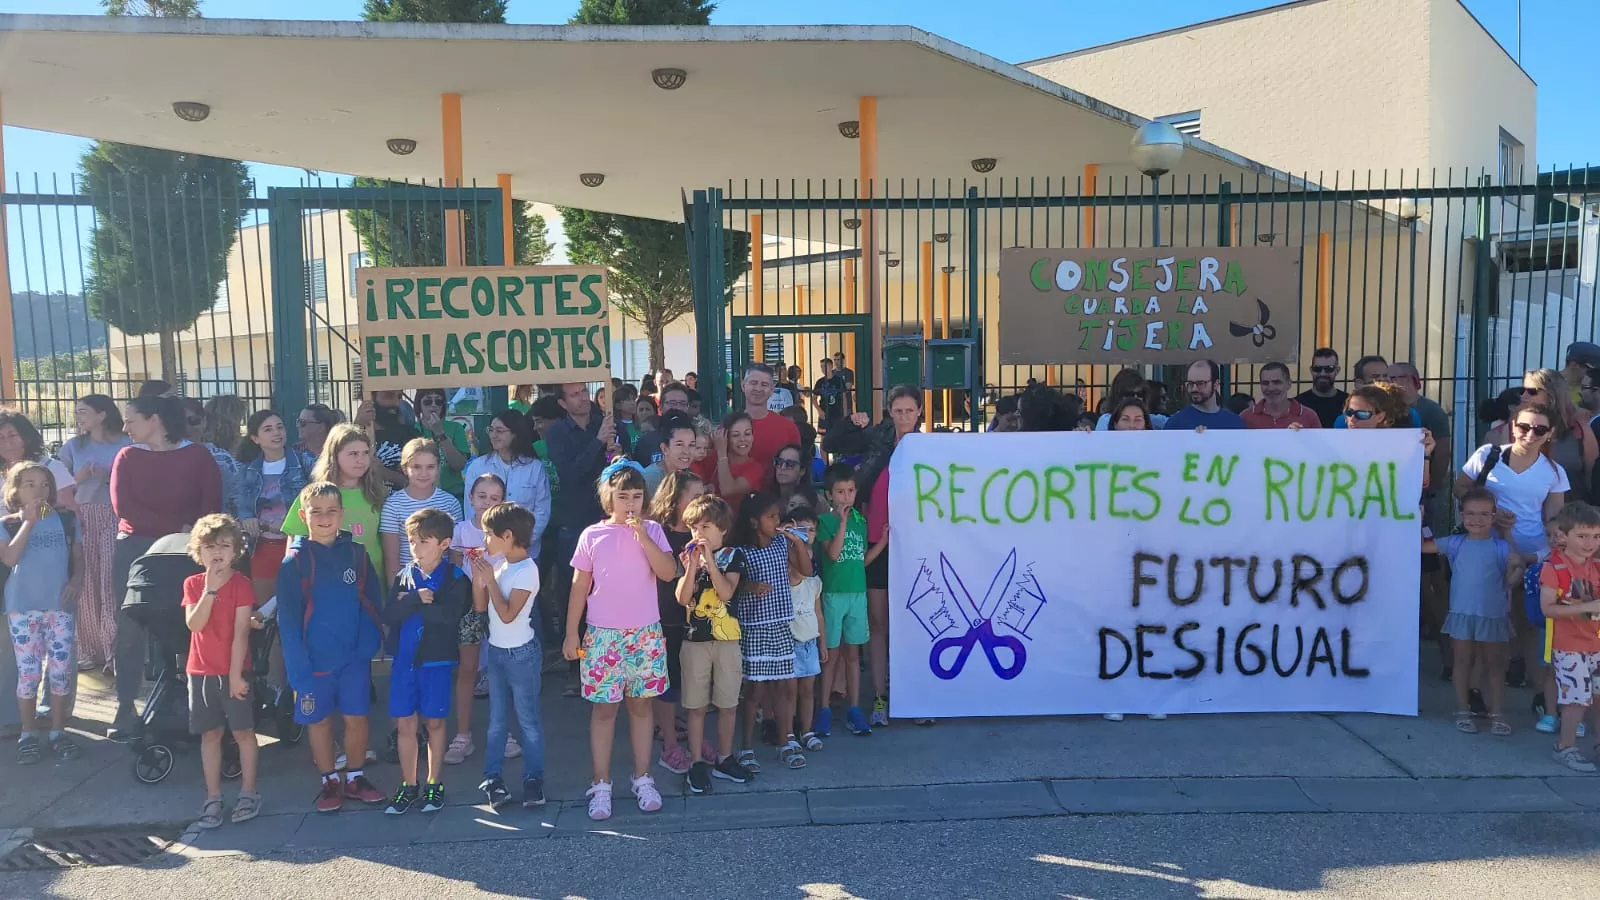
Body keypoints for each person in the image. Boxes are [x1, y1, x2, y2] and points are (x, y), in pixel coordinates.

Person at [563, 461, 677, 821]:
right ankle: (601, 783)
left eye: (637, 496)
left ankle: (643, 778)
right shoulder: (592, 536)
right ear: (608, 496)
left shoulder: (654, 530)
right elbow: (579, 586)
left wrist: (643, 536)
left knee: (642, 707)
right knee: (604, 709)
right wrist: (571, 632)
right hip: (602, 635)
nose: (630, 503)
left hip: (645, 633)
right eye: (622, 495)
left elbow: (668, 573)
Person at [109, 394, 223, 740]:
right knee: (129, 626)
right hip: (138, 552)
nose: (125, 427)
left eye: (131, 419)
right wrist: (176, 527)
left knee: (190, 625)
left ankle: (198, 705)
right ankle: (125, 705)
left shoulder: (198, 455)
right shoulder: (126, 456)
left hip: (186, 551)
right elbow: (123, 506)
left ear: (154, 419)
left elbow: (211, 503)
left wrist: (191, 533)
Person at [276, 482, 387, 813]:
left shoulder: (356, 554)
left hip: (353, 659)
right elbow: (289, 623)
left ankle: (355, 777)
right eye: (316, 511)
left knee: (357, 717)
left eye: (331, 511)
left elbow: (371, 601)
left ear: (342, 514)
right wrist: (298, 670)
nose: (324, 518)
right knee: (319, 722)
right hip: (314, 664)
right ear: (302, 515)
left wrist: (368, 644)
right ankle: (329, 781)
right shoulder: (293, 564)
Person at [821, 386, 921, 727]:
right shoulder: (877, 439)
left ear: (920, 412)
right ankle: (879, 696)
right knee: (878, 624)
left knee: (912, 624)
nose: (904, 416)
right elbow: (831, 444)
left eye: (910, 410)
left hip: (917, 547)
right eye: (898, 410)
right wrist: (851, 422)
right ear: (890, 411)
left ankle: (916, 695)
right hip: (877, 542)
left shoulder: (931, 447)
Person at [381, 508, 471, 815]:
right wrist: (414, 600)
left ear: (444, 544)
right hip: (404, 662)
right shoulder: (404, 577)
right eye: (411, 541)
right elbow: (388, 614)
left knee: (434, 722)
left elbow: (449, 617)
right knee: (405, 723)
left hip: (436, 662)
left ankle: (434, 783)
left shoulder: (456, 577)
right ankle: (409, 784)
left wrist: (419, 605)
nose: (415, 547)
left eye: (423, 541)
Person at [180, 514, 260, 827]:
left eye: (225, 545)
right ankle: (213, 796)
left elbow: (242, 632)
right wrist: (209, 591)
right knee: (210, 734)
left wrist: (236, 674)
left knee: (243, 731)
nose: (218, 552)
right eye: (210, 546)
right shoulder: (192, 584)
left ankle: (249, 792)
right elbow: (194, 624)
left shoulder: (242, 585)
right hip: (201, 672)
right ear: (199, 552)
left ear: (235, 550)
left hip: (234, 670)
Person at [2, 463, 82, 764]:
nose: (39, 490)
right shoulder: (7, 522)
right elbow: (10, 557)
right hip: (22, 609)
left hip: (58, 607)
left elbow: (78, 556)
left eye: (44, 484)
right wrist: (29, 522)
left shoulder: (65, 519)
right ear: (16, 491)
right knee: (29, 673)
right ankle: (28, 733)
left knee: (60, 671)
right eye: (30, 484)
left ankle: (59, 730)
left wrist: (76, 580)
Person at [1424, 488, 1520, 737]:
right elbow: (1421, 547)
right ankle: (1462, 710)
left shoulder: (1501, 547)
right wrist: (1418, 518)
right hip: (1462, 614)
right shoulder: (1454, 543)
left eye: (1484, 514)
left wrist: (1514, 571)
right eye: (1471, 514)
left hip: (1492, 615)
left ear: (1493, 516)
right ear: (1461, 514)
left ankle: (1497, 713)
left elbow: (1514, 571)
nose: (1476, 519)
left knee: (1495, 665)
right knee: (1463, 662)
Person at [731, 491, 813, 771]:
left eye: (778, 515)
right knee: (754, 690)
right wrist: (749, 587)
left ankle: (785, 741)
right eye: (771, 517)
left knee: (783, 687)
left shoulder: (781, 544)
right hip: (754, 627)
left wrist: (797, 544)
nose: (777, 520)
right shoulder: (741, 551)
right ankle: (745, 747)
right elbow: (733, 586)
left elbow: (806, 570)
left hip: (781, 623)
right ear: (754, 522)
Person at [676, 494, 748, 793]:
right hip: (695, 640)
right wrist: (692, 566)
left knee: (728, 702)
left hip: (727, 639)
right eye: (694, 527)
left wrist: (711, 564)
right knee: (696, 705)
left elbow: (726, 592)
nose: (699, 534)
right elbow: (682, 598)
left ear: (722, 530)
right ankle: (696, 762)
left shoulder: (733, 555)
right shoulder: (687, 555)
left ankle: (724, 756)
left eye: (706, 527)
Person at [545, 382, 618, 666]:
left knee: (608, 591)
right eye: (574, 395)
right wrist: (597, 443)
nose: (583, 399)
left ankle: (607, 660)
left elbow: (622, 469)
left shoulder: (607, 422)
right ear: (563, 403)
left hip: (608, 519)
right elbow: (569, 472)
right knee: (573, 592)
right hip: (575, 523)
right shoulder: (557, 433)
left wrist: (616, 451)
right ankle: (575, 663)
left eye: (584, 392)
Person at [57, 394, 128, 669]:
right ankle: (88, 650)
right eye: (77, 412)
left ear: (102, 414)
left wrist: (112, 475)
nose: (78, 417)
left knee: (110, 581)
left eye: (83, 411)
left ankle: (114, 652)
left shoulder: (126, 443)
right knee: (84, 583)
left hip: (115, 514)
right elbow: (56, 493)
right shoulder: (72, 446)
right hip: (81, 516)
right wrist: (82, 477)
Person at [443, 473, 506, 767]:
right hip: (468, 608)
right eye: (482, 497)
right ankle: (463, 736)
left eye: (495, 499)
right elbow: (456, 572)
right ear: (470, 498)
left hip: (500, 606)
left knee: (499, 671)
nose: (487, 504)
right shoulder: (460, 531)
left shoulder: (507, 532)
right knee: (467, 670)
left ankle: (504, 733)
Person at [647, 469, 705, 778]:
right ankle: (669, 744)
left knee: (694, 681)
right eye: (695, 497)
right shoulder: (659, 532)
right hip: (664, 618)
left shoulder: (706, 532)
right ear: (675, 499)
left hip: (698, 619)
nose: (701, 502)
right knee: (666, 685)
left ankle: (695, 739)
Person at [1458, 403, 1569, 561]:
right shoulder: (1487, 455)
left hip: (1532, 550)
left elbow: (1554, 520)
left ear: (1550, 433)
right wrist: (1490, 510)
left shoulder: (1555, 472)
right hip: (1485, 545)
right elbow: (1459, 489)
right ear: (1513, 427)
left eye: (1540, 430)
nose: (1530, 435)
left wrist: (1536, 556)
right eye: (1524, 427)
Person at [281, 424, 387, 579]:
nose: (361, 460)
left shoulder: (377, 492)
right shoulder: (315, 494)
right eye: (353, 454)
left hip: (373, 581)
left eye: (365, 453)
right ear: (334, 456)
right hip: (329, 582)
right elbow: (294, 543)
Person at [1539, 501, 1600, 772]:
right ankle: (1565, 747)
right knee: (1576, 699)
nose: (1590, 543)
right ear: (1564, 535)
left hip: (1595, 642)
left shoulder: (1596, 568)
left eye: (1596, 536)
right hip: (1569, 646)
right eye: (1582, 536)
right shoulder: (1554, 568)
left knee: (1597, 696)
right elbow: (1547, 608)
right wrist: (1587, 607)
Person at [235, 410, 315, 606]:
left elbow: (318, 498)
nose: (276, 433)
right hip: (262, 548)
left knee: (299, 606)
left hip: (299, 546)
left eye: (279, 427)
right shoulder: (248, 470)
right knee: (265, 611)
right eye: (268, 429)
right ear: (255, 438)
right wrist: (247, 519)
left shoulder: (305, 462)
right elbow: (240, 505)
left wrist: (291, 521)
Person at [815, 463, 871, 737]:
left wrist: (882, 542)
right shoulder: (825, 522)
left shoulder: (861, 520)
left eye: (850, 491)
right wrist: (842, 523)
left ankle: (854, 708)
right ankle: (824, 709)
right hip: (834, 595)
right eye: (840, 492)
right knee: (831, 655)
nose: (846, 497)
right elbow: (834, 555)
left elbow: (861, 560)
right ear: (829, 496)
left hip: (857, 594)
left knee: (852, 654)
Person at [1485, 369, 1598, 499]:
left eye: (1532, 391)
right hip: (1527, 512)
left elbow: (1591, 478)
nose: (1523, 396)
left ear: (1551, 396)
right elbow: (1505, 476)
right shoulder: (1513, 429)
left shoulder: (1579, 429)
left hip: (1571, 512)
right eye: (1523, 391)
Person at [462, 412, 550, 562]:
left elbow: (542, 511)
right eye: (491, 430)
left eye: (500, 431)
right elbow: (470, 509)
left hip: (525, 553)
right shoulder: (478, 466)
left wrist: (519, 543)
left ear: (515, 433)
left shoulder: (534, 467)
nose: (494, 435)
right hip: (487, 552)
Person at [380, 439, 465, 580]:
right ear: (404, 469)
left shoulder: (450, 503)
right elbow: (391, 558)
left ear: (438, 468)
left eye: (430, 467)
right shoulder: (393, 505)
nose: (423, 473)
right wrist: (397, 593)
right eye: (416, 467)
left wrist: (453, 588)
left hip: (444, 584)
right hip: (408, 584)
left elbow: (455, 553)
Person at [784, 505, 826, 757]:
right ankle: (788, 732)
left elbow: (818, 613)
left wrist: (822, 643)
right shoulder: (784, 583)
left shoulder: (815, 584)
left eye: (808, 557)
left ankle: (807, 730)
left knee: (808, 689)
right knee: (788, 690)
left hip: (810, 642)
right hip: (789, 642)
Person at [717, 365, 800, 491]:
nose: (758, 388)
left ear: (772, 389)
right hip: (732, 503)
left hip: (774, 502)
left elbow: (796, 468)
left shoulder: (788, 428)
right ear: (743, 385)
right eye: (753, 383)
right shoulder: (727, 426)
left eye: (764, 384)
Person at [0, 410, 76, 513]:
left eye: (12, 435)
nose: (7, 443)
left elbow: (68, 511)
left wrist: (32, 517)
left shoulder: (51, 468)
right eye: (1, 437)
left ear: (28, 438)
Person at [183, 397, 244, 520]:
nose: (187, 428)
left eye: (194, 421)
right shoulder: (158, 457)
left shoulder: (221, 459)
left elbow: (235, 498)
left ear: (205, 421)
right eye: (180, 423)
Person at [413, 388, 471, 499]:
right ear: (419, 405)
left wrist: (440, 433)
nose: (433, 406)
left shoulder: (455, 428)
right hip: (422, 496)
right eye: (427, 402)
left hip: (453, 495)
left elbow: (459, 465)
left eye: (438, 402)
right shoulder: (411, 429)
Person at [355, 390, 418, 488]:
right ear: (370, 399)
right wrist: (356, 427)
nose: (396, 403)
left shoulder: (411, 436)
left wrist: (386, 474)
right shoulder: (355, 437)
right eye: (389, 396)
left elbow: (420, 483)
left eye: (399, 397)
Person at [1163, 360, 1246, 431]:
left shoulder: (1235, 423)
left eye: (1201, 383)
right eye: (1190, 384)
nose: (1194, 389)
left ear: (1216, 384)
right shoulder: (1175, 424)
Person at [631, 382, 694, 467]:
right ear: (660, 407)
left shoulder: (698, 437)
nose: (678, 407)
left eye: (682, 403)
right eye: (672, 403)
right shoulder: (647, 441)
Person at [1242, 363, 1321, 429]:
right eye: (1265, 383)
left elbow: (1318, 446)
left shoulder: (1308, 416)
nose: (1271, 388)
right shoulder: (1246, 417)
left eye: (1277, 382)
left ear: (1289, 384)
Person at [642, 414, 696, 500]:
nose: (687, 451)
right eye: (679, 444)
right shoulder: (650, 479)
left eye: (691, 445)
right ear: (665, 449)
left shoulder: (690, 475)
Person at [1095, 369, 1168, 430]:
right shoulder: (1105, 421)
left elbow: (1176, 422)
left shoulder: (1152, 420)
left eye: (1140, 394)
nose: (1135, 398)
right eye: (1129, 394)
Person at [713, 411, 764, 498]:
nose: (742, 439)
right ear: (725, 437)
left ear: (753, 437)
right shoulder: (713, 458)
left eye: (747, 434)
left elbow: (728, 491)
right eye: (736, 435)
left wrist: (722, 455)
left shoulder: (755, 468)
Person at [1296, 348, 1348, 428]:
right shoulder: (1298, 403)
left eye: (1329, 369)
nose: (1322, 373)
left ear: (1337, 371)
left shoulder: (1348, 402)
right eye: (1317, 369)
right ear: (1311, 370)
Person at [772, 444, 821, 514]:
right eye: (779, 462)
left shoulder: (817, 502)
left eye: (790, 464)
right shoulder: (767, 501)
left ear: (802, 470)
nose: (782, 467)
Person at [813, 359, 848, 433]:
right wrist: (819, 411)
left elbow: (844, 398)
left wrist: (845, 414)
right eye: (821, 366)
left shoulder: (839, 380)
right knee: (823, 435)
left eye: (825, 366)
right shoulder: (820, 382)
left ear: (831, 366)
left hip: (837, 413)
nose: (823, 368)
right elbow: (814, 398)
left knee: (838, 435)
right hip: (824, 413)